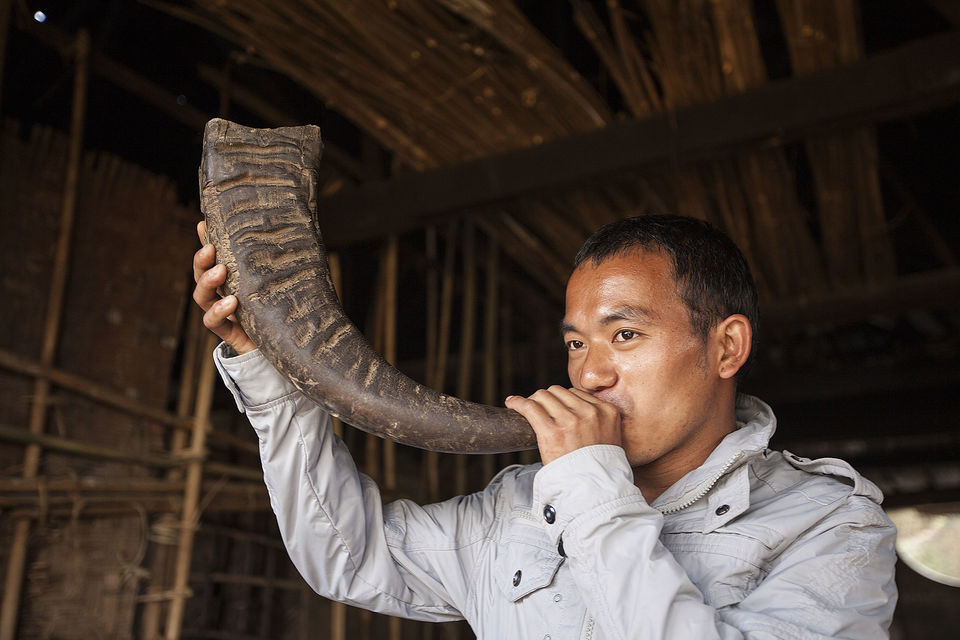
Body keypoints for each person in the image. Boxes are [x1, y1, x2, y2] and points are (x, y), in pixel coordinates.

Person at [193, 214, 897, 639]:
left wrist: (593, 488)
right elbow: (345, 556)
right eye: (575, 343)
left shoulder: (832, 523)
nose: (589, 374)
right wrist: (270, 373)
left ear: (725, 348)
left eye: (624, 335)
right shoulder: (514, 509)